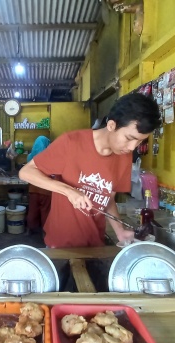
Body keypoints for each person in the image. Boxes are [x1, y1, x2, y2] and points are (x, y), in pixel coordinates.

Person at [19, 93, 161, 248]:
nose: (132, 148)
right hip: (59, 245)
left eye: (140, 141)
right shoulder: (71, 143)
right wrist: (69, 191)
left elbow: (108, 198)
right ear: (112, 125)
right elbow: (26, 172)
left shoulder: (124, 156)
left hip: (94, 246)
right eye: (129, 138)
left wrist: (120, 231)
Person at [25, 136, 52, 234]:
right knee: (45, 211)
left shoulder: (30, 157)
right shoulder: (49, 156)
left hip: (33, 189)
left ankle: (29, 230)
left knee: (32, 211)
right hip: (46, 189)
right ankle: (45, 233)